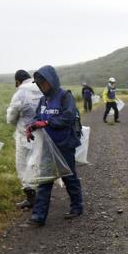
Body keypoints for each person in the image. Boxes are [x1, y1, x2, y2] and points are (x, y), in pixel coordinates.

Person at [25, 65, 84, 226]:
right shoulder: (43, 100)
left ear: (52, 81)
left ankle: (77, 207)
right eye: (39, 84)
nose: (42, 86)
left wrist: (48, 122)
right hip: (47, 146)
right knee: (45, 180)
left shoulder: (65, 96)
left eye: (43, 83)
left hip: (64, 145)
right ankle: (38, 216)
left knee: (69, 177)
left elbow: (69, 117)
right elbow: (37, 116)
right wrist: (31, 127)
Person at [6, 69, 43, 208]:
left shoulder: (20, 93)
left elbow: (11, 117)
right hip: (42, 132)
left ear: (17, 81)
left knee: (22, 164)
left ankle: (31, 197)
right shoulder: (40, 88)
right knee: (37, 162)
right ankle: (42, 192)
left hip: (24, 134)